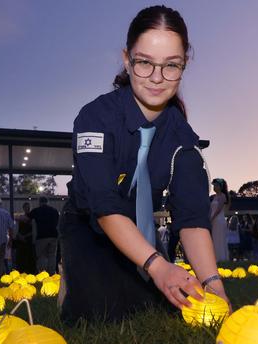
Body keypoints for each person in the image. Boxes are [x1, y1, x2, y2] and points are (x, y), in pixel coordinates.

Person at [60, 5, 229, 323]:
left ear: (184, 65)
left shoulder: (183, 138)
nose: (156, 78)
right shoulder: (94, 118)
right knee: (99, 314)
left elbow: (192, 219)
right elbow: (104, 205)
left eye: (171, 66)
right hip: (89, 224)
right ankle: (70, 273)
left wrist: (213, 284)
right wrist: (157, 266)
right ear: (127, 59)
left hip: (140, 228)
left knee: (166, 306)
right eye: (144, 63)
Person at [26, 197, 59, 274]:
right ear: (47, 201)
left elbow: (26, 218)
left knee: (42, 255)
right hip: (53, 235)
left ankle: (43, 273)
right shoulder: (54, 211)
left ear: (39, 202)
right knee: (52, 255)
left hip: (41, 236)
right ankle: (51, 272)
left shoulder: (36, 210)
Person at [210, 178, 229, 262]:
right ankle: (215, 257)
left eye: (216, 185)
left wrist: (212, 218)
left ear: (220, 186)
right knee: (215, 239)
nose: (214, 187)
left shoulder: (222, 196)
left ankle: (221, 257)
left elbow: (219, 209)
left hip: (219, 220)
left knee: (219, 239)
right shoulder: (214, 197)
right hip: (214, 220)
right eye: (214, 185)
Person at [13, 202, 36, 274]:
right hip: (22, 241)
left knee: (29, 258)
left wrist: (24, 236)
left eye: (28, 207)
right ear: (23, 208)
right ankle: (21, 271)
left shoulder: (33, 218)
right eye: (26, 207)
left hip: (28, 240)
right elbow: (16, 229)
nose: (27, 209)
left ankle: (29, 272)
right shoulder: (20, 218)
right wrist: (19, 236)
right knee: (21, 258)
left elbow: (34, 230)